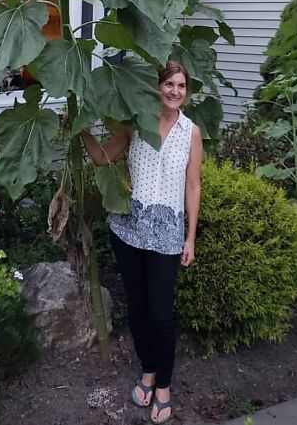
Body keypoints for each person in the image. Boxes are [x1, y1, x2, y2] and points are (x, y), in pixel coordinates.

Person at [81, 61, 204, 425]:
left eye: (181, 86)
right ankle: (147, 371)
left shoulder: (190, 132)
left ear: (187, 91)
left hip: (167, 234)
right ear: (157, 87)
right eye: (169, 84)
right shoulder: (136, 123)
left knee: (161, 314)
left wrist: (190, 238)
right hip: (129, 229)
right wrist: (79, 130)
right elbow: (103, 158)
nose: (175, 91)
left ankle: (163, 386)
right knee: (137, 307)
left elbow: (193, 186)